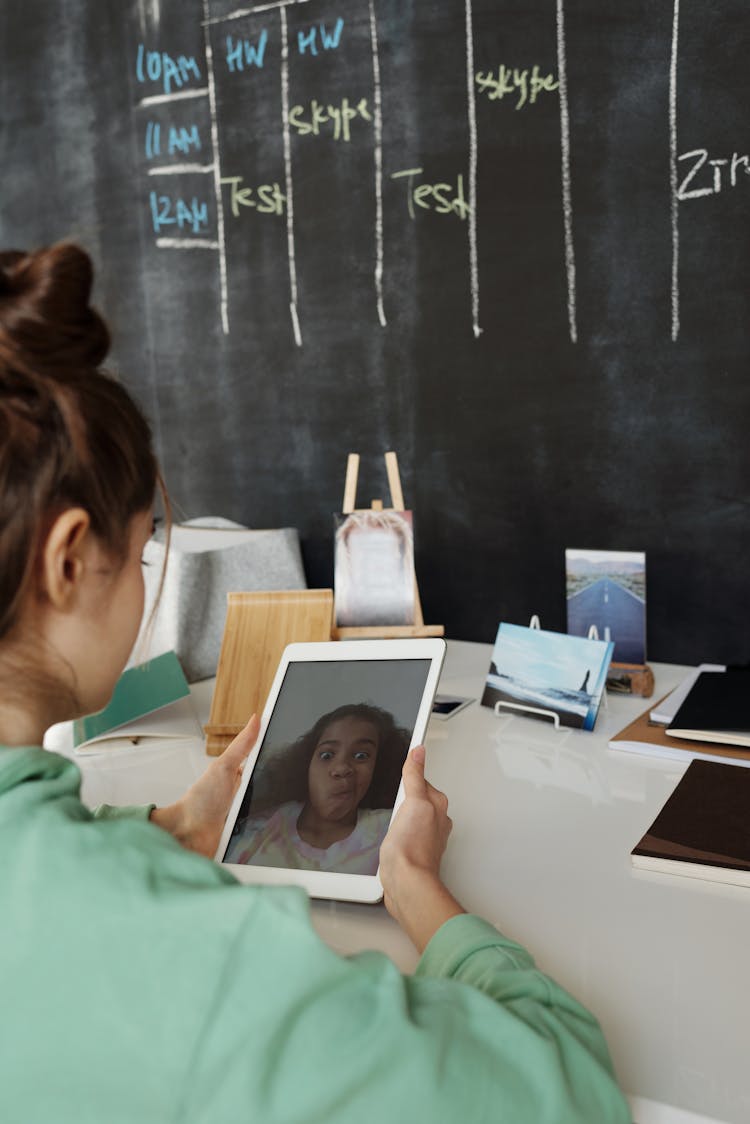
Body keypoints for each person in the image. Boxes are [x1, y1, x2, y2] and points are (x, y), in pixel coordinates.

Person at [0, 243, 631, 1123]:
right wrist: (411, 879)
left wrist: (170, 828)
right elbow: (565, 1093)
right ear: (70, 560)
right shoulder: (192, 960)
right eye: (144, 546)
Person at [224, 703, 408, 873]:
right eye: (327, 755)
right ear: (305, 764)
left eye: (361, 755)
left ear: (379, 768)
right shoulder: (256, 829)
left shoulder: (392, 829)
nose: (342, 768)